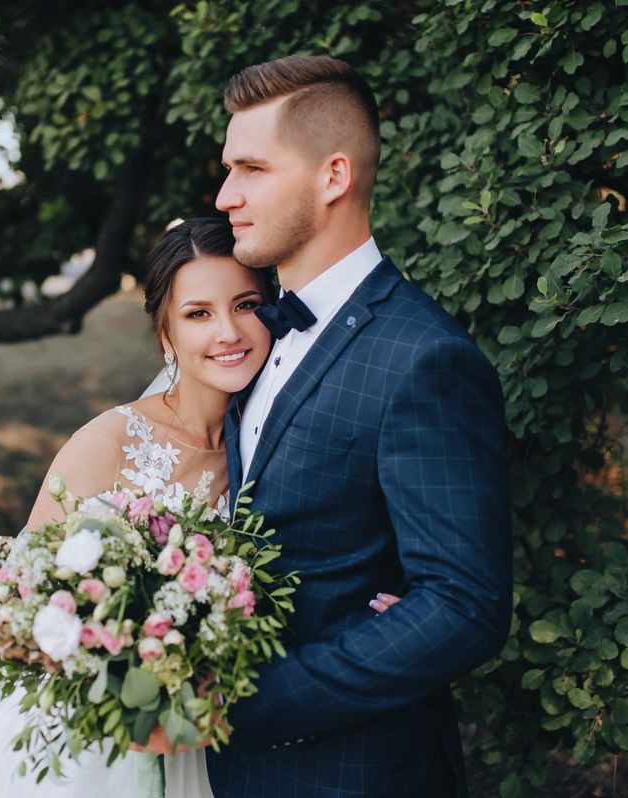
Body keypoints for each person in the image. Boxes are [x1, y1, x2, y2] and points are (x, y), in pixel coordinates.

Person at [0, 218, 399, 797]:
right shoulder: (111, 441)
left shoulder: (265, 441)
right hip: (91, 744)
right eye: (198, 314)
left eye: (246, 304)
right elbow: (13, 615)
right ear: (165, 333)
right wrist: (123, 677)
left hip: (208, 743)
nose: (228, 331)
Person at [204, 55, 512, 798]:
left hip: (350, 772)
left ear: (332, 177)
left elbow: (464, 606)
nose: (225, 196)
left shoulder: (423, 357)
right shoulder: (247, 336)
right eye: (227, 169)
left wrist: (243, 707)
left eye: (251, 169)